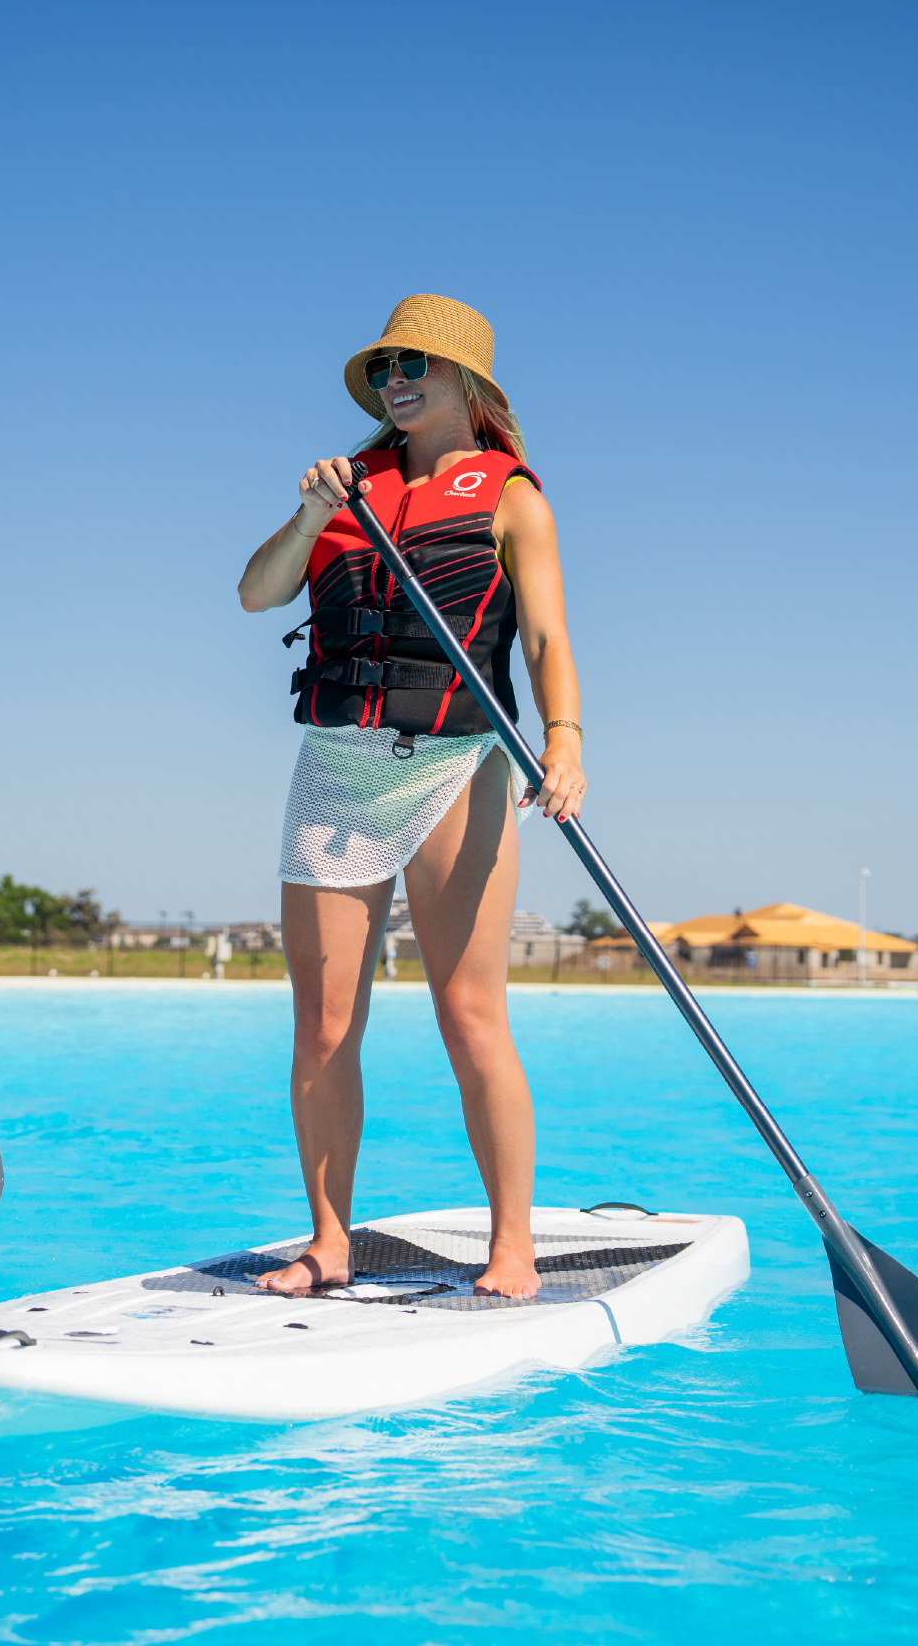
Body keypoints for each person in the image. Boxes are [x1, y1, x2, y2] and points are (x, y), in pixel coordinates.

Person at [235, 294, 587, 1299]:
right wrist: (312, 513)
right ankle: (327, 1243)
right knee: (323, 1026)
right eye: (386, 367)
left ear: (467, 384)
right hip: (336, 769)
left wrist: (563, 740)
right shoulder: (345, 490)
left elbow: (547, 639)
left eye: (416, 366)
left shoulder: (512, 496)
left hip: (454, 767)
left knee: (470, 1015)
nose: (396, 382)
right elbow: (258, 593)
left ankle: (511, 1244)